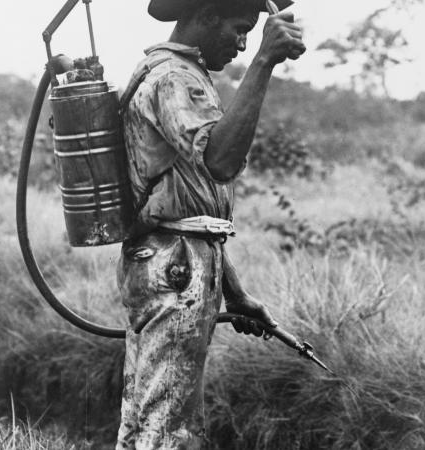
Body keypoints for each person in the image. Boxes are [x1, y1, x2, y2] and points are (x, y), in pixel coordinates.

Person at [116, 0, 306, 448]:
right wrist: (264, 61)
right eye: (238, 30)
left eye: (250, 36)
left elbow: (194, 211)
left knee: (146, 420)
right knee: (168, 429)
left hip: (172, 260)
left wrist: (234, 294)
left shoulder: (175, 73)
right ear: (204, 15)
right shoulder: (175, 79)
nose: (242, 44)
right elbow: (219, 161)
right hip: (175, 270)